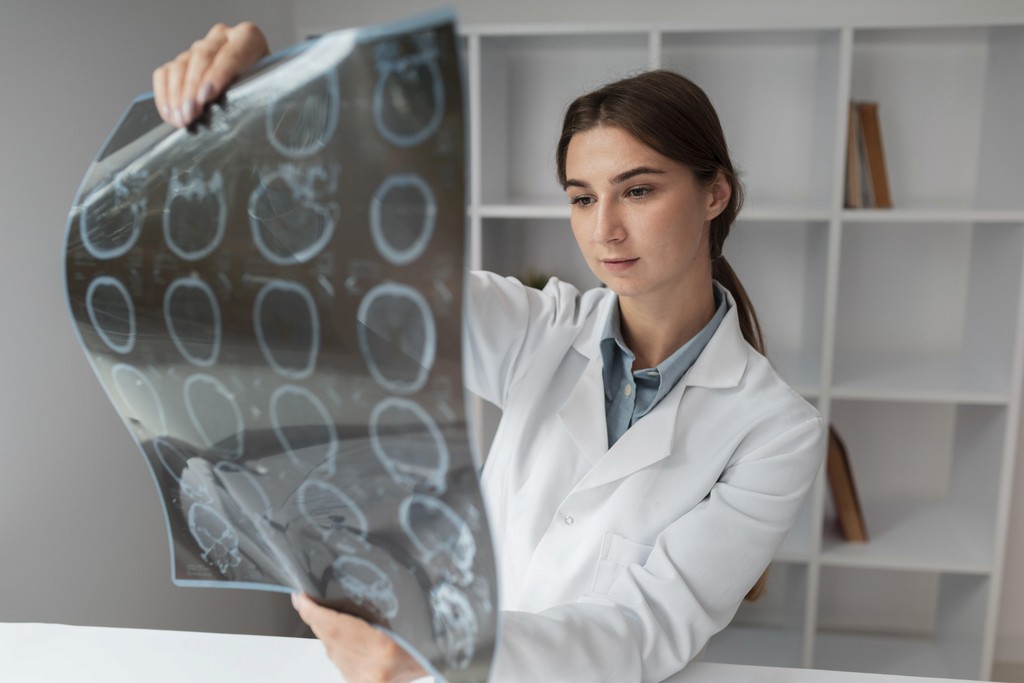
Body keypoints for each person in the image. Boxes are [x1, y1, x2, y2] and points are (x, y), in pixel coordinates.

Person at [154, 22, 825, 683]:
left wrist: (443, 647)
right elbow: (349, 260)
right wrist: (266, 104)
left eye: (638, 190)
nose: (604, 230)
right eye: (582, 198)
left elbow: (646, 629)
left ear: (714, 194)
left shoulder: (775, 431)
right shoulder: (541, 329)